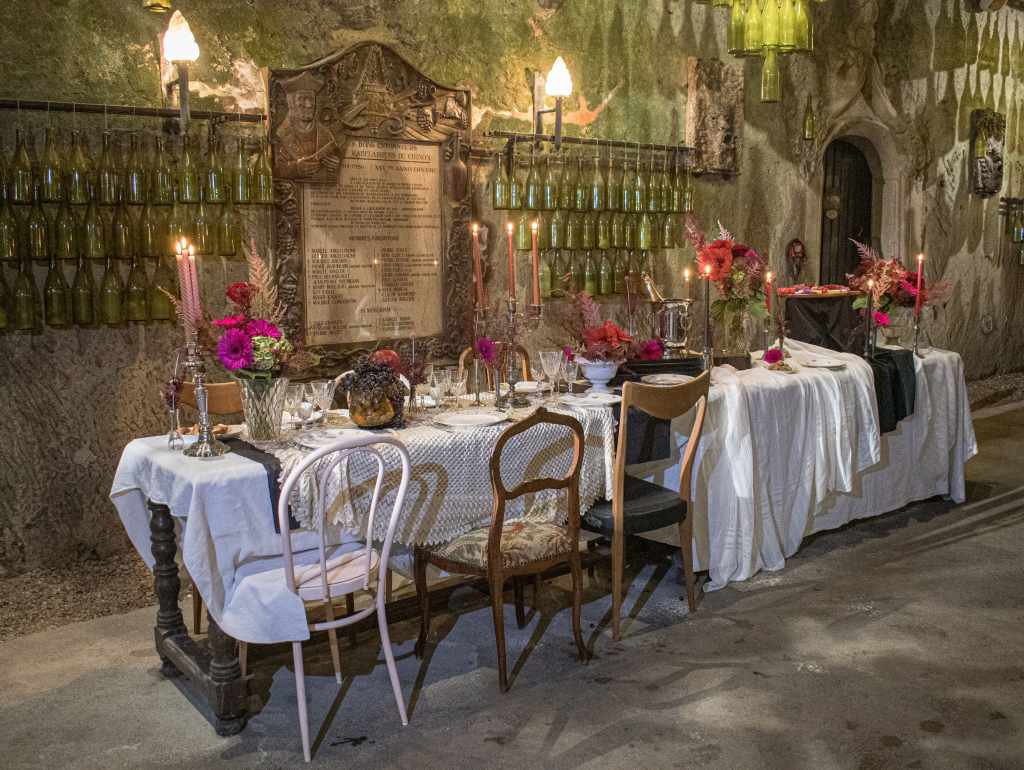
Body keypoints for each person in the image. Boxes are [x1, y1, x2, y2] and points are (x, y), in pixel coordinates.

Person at [273, 70, 342, 180]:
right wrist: (295, 168)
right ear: (291, 103)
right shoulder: (280, 135)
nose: (308, 104)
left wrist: (335, 163)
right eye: (302, 99)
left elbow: (336, 158)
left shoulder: (326, 135)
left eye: (311, 99)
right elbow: (274, 169)